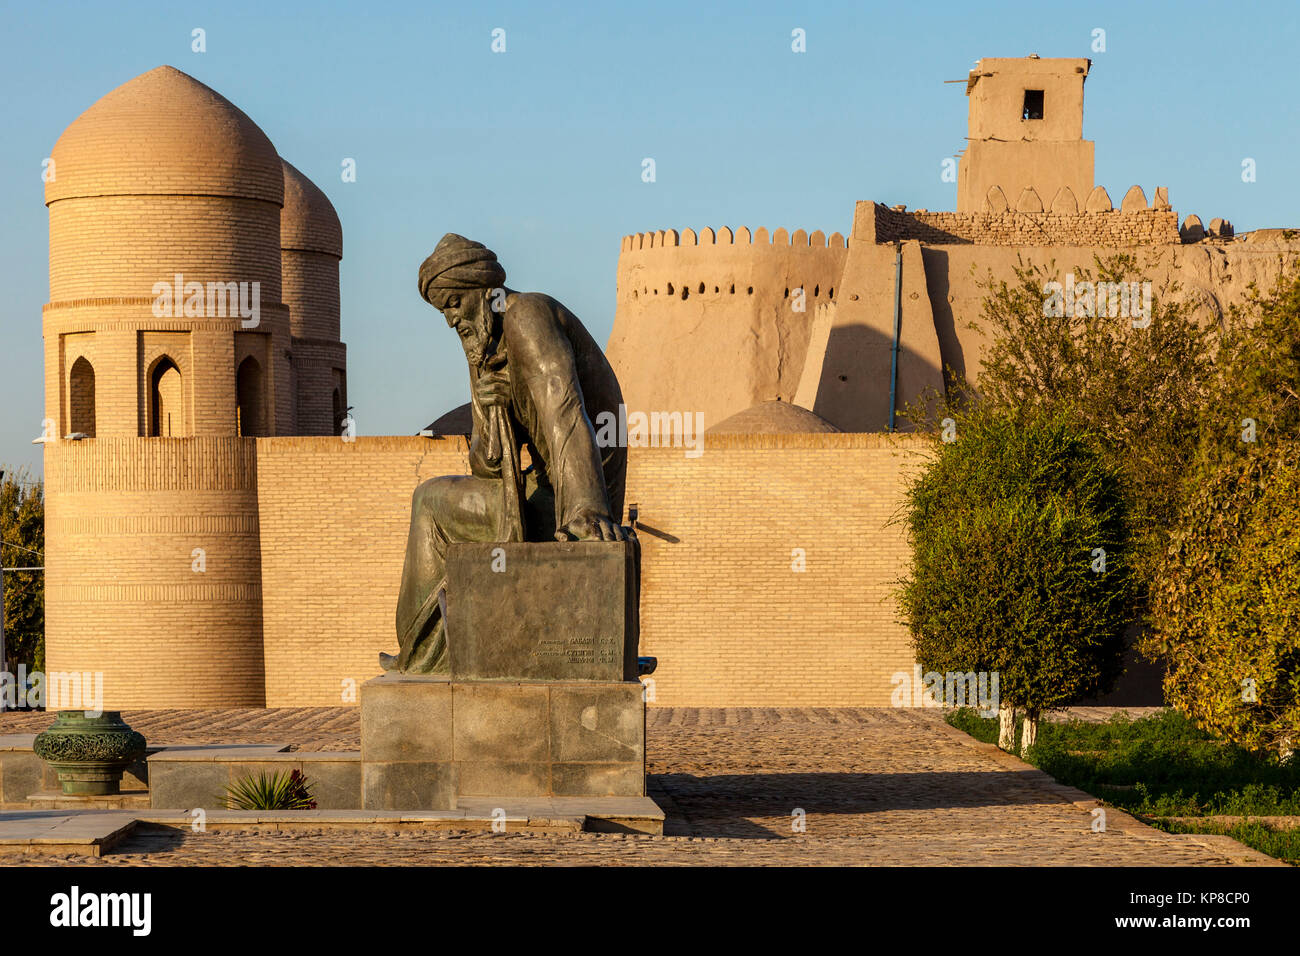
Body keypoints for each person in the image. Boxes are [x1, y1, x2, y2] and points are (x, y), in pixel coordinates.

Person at [384, 234, 629, 673]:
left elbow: (565, 411)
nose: (451, 320)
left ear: (484, 290)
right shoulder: (483, 349)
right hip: (542, 490)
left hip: (579, 496)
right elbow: (486, 465)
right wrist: (493, 406)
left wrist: (587, 512)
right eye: (444, 310)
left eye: (455, 303)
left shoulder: (527, 317)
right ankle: (427, 657)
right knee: (436, 498)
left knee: (430, 503)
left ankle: (422, 659)